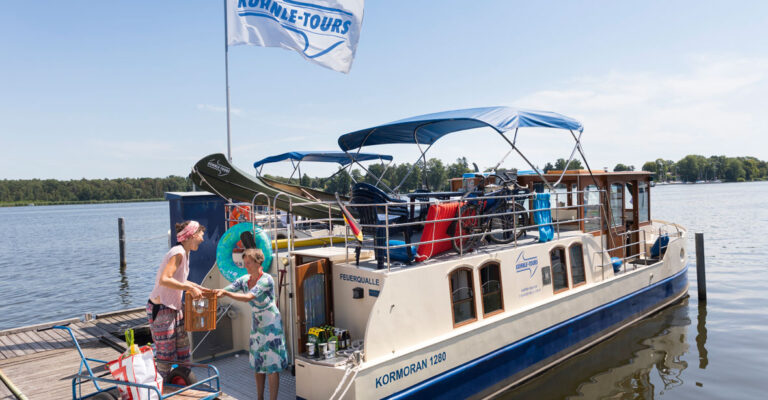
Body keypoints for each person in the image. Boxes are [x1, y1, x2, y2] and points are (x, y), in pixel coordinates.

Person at [216, 248, 288, 400]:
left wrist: (226, 294)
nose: (246, 266)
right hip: (257, 325)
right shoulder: (244, 280)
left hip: (271, 325)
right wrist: (212, 293)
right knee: (258, 363)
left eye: (248, 263)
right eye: (245, 263)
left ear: (258, 262)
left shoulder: (266, 279)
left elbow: (248, 296)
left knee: (272, 366)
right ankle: (259, 398)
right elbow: (226, 289)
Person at [147, 220, 208, 378]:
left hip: (175, 308)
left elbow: (179, 280)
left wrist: (198, 287)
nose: (202, 239)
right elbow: (164, 279)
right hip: (161, 309)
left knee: (184, 353)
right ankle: (162, 390)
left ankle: (182, 385)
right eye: (201, 235)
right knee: (165, 357)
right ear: (191, 235)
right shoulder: (178, 252)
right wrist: (189, 288)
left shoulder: (186, 253)